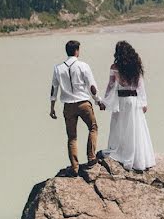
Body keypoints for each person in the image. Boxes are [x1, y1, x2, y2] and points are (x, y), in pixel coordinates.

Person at [50, 40, 105, 176]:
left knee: (72, 137)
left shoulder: (58, 68)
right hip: (83, 104)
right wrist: (99, 101)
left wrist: (52, 107)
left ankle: (74, 168)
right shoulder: (83, 66)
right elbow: (92, 87)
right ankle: (91, 158)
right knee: (93, 128)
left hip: (68, 106)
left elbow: (54, 89)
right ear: (77, 51)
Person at [101, 40, 155, 171]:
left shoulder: (115, 67)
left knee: (119, 126)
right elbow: (140, 86)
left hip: (121, 100)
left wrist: (104, 100)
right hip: (134, 100)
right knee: (135, 128)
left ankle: (121, 152)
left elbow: (111, 85)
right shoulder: (136, 65)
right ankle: (139, 158)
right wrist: (144, 102)